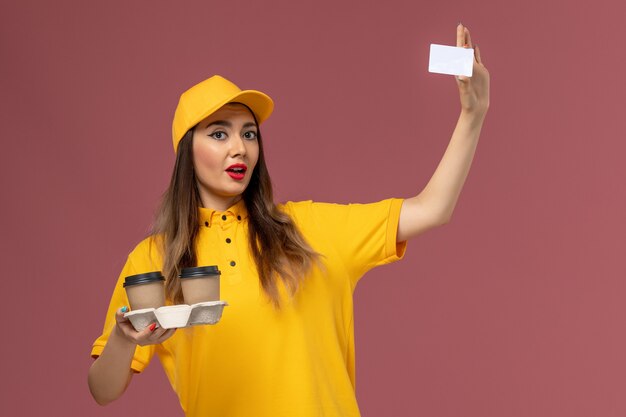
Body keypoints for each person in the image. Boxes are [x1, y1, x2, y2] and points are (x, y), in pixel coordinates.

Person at [88, 24, 489, 417]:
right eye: (218, 134)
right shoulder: (153, 260)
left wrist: (473, 115)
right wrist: (124, 340)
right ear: (185, 152)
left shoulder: (310, 229)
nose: (239, 148)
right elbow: (103, 391)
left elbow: (433, 208)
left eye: (249, 134)